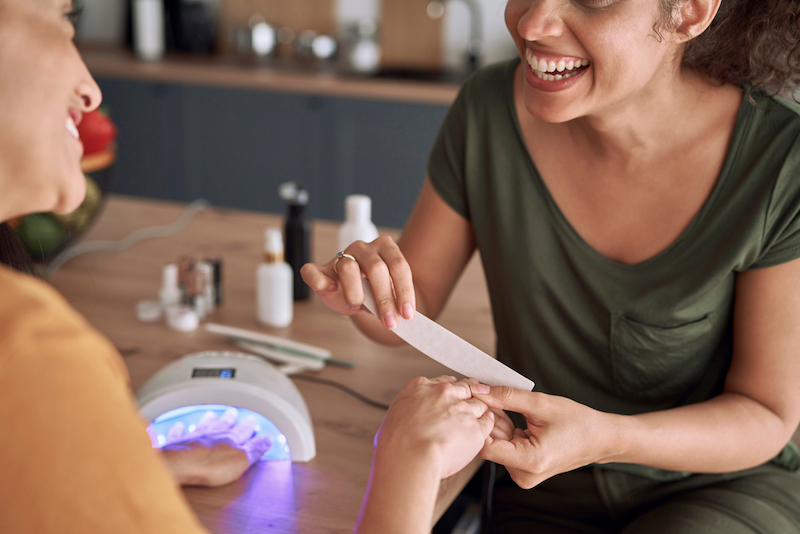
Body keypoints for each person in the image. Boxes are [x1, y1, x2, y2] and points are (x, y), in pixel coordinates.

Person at [302, 0, 800, 532]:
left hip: (718, 490)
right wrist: (367, 285)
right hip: (537, 488)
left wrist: (608, 439)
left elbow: (765, 413)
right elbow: (411, 301)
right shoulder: (487, 110)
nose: (532, 25)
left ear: (690, 11)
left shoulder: (778, 163)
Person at [0, 1, 494, 532]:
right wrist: (409, 458)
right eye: (65, 21)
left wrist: (133, 471)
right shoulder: (29, 355)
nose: (93, 89)